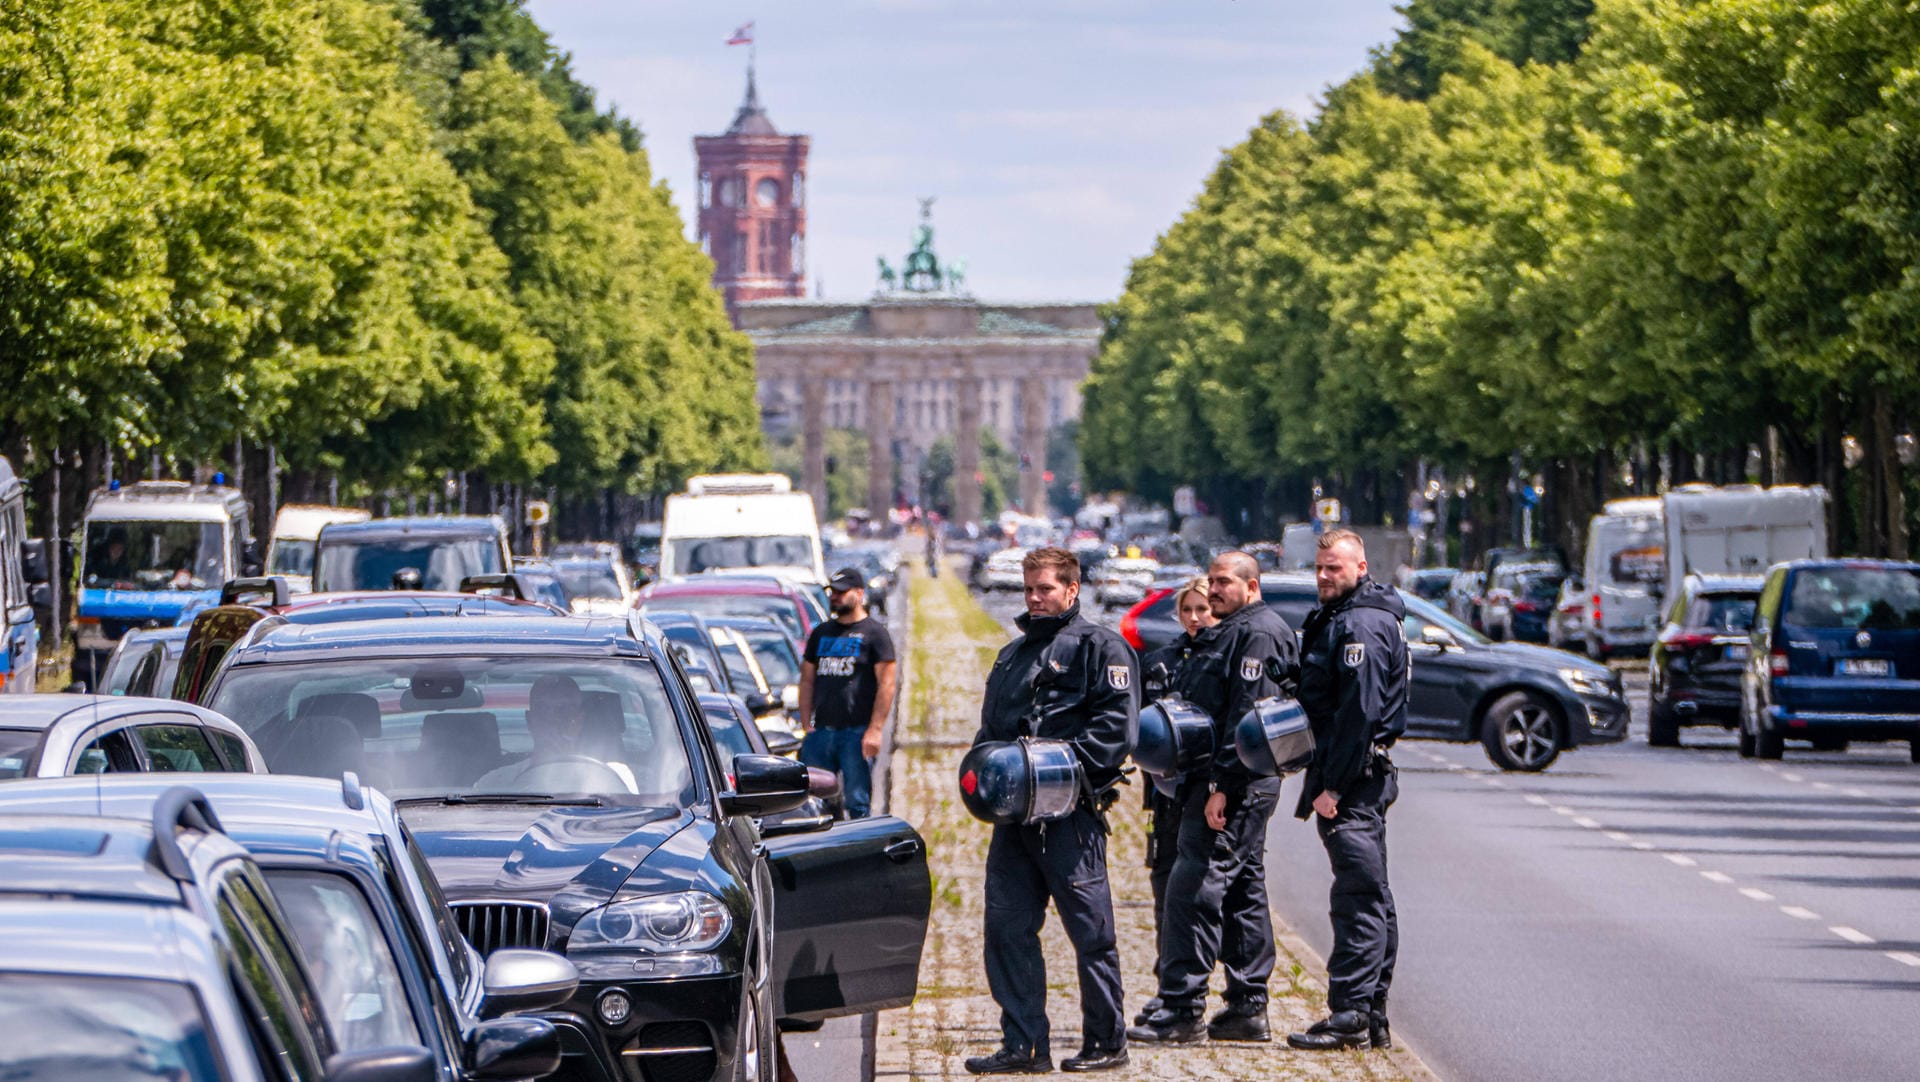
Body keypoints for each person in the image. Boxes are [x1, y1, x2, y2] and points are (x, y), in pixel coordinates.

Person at [966, 547, 1137, 1075]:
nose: (1036, 599)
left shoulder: (1102, 648)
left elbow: (1115, 734)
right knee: (1006, 929)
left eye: (1045, 589)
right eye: (1030, 589)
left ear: (1071, 588)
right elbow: (991, 733)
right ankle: (1023, 1045)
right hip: (1016, 823)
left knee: (1092, 935)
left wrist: (1045, 770)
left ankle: (1107, 1041)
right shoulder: (1012, 656)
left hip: (1071, 818)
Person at [1129, 551, 1297, 1045]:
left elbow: (1248, 720)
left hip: (1234, 783)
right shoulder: (1233, 629)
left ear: (1252, 585)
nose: (1214, 589)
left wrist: (1223, 787)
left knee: (1193, 887)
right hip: (1224, 780)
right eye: (1212, 581)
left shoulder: (1257, 633)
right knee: (1243, 890)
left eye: (1224, 582)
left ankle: (1182, 1008)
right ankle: (1247, 1007)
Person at [1287, 529, 1408, 1052]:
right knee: (1372, 894)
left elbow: (1359, 713)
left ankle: (1352, 1015)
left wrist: (1333, 785)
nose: (1322, 576)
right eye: (1319, 567)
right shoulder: (1358, 617)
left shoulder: (1361, 624)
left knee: (1357, 897)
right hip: (1358, 776)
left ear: (1361, 567)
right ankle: (1371, 1014)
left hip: (1353, 781)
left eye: (1333, 568)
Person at [1133, 576, 1215, 1027]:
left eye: (1203, 609)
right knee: (1165, 887)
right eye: (1188, 610)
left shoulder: (1219, 660)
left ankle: (1196, 992)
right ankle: (1168, 982)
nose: (1195, 618)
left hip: (1203, 794)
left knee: (1198, 892)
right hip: (1163, 794)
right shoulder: (1162, 662)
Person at [797, 567, 898, 818]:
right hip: (822, 731)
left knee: (857, 802)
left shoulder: (875, 634)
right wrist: (805, 721)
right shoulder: (821, 633)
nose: (836, 597)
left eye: (842, 592)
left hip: (857, 733)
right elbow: (807, 680)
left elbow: (887, 684)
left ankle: (858, 852)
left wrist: (875, 730)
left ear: (859, 593)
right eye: (833, 592)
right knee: (813, 803)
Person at [477, 674, 636, 793]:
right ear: (530, 721)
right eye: (544, 710)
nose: (554, 719)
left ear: (579, 719)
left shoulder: (616, 775)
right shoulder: (496, 783)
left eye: (565, 710)